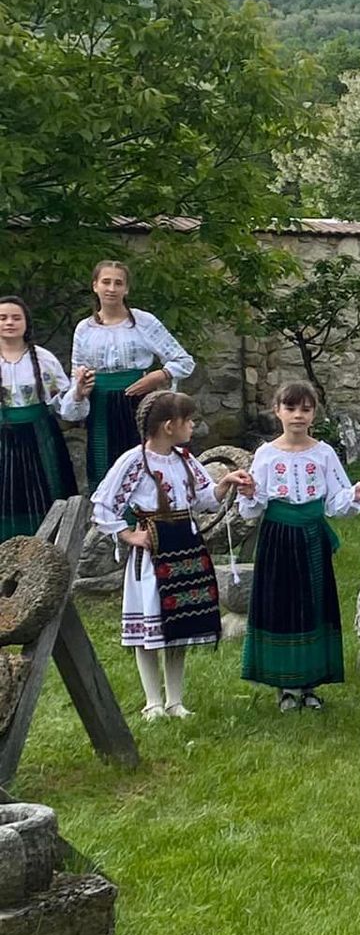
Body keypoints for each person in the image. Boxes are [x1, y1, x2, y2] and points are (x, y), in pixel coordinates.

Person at [90, 391, 252, 721]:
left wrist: (227, 484)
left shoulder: (185, 460)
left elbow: (205, 499)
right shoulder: (133, 462)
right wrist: (129, 534)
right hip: (152, 553)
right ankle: (152, 701)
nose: (192, 425)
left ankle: (175, 700)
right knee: (149, 630)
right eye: (188, 420)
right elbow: (104, 504)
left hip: (185, 547)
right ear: (168, 426)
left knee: (179, 626)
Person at [238, 381, 360, 712]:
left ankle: (311, 683)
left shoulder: (323, 453)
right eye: (290, 408)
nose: (298, 415)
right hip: (277, 539)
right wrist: (248, 494)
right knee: (280, 606)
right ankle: (285, 685)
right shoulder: (267, 454)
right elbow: (256, 502)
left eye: (305, 409)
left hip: (312, 538)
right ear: (278, 411)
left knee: (313, 604)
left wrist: (356, 494)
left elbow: (335, 500)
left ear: (314, 413)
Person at [68, 259, 195, 490]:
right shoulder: (84, 329)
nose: (111, 289)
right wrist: (79, 388)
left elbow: (183, 360)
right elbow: (75, 375)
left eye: (118, 283)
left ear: (126, 289)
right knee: (103, 466)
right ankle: (110, 523)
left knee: (143, 464)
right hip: (101, 406)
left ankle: (145, 521)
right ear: (95, 285)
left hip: (139, 404)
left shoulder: (144, 322)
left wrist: (157, 376)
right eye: (106, 282)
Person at [0, 297, 84, 541]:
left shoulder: (43, 358)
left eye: (16, 318)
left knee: (47, 491)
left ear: (26, 323)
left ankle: (47, 551)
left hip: (41, 437)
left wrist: (78, 392)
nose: (9, 323)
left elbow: (64, 400)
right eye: (3, 318)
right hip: (3, 439)